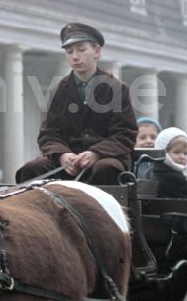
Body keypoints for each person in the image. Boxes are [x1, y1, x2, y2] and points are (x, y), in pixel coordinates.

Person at [15, 22, 137, 184]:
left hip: (105, 159)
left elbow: (125, 133)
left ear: (97, 52)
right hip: (68, 164)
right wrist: (62, 155)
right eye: (69, 51)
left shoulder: (116, 88)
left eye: (81, 49)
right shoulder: (58, 90)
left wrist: (96, 153)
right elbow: (49, 134)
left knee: (106, 168)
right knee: (33, 169)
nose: (75, 56)